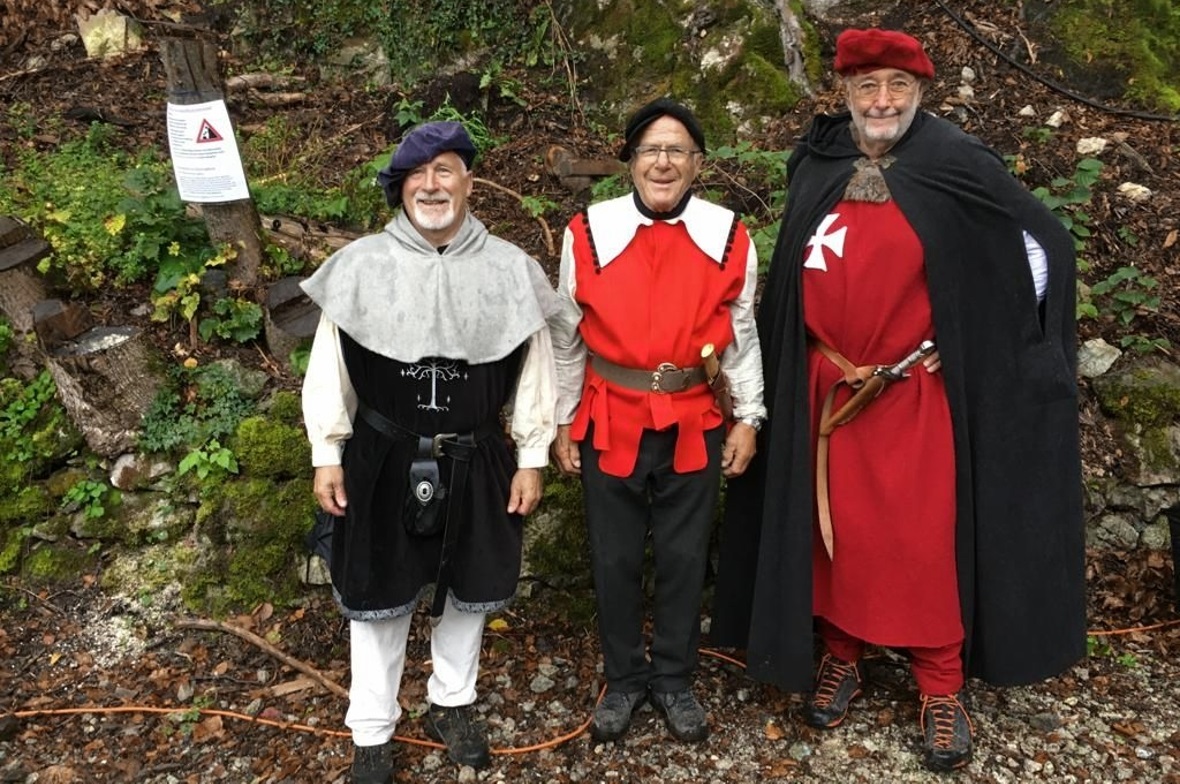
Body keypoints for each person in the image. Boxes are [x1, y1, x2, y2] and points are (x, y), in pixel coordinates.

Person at [712, 28, 1085, 773]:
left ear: (920, 93)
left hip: (915, 392)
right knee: (834, 535)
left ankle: (941, 684)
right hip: (824, 386)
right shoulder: (818, 161)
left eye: (898, 87)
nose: (882, 101)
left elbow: (1044, 246)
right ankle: (842, 654)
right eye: (867, 87)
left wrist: (975, 335)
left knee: (922, 541)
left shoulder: (955, 162)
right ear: (845, 93)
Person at [300, 121, 558, 783]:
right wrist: (326, 450)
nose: (431, 185)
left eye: (445, 170)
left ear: (469, 182)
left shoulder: (511, 270)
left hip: (479, 455)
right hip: (381, 458)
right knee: (377, 594)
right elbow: (329, 367)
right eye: (417, 173)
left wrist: (532, 456)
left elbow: (537, 369)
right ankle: (371, 731)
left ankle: (452, 703)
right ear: (400, 187)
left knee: (468, 592)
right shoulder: (360, 267)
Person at [550, 97, 766, 744]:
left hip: (694, 419)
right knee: (614, 557)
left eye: (677, 151)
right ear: (631, 161)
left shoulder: (729, 235)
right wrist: (561, 418)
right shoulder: (587, 232)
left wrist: (749, 417)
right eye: (651, 150)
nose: (663, 162)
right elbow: (567, 335)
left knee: (684, 555)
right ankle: (623, 679)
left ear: (697, 164)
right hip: (609, 416)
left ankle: (674, 678)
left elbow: (742, 336)